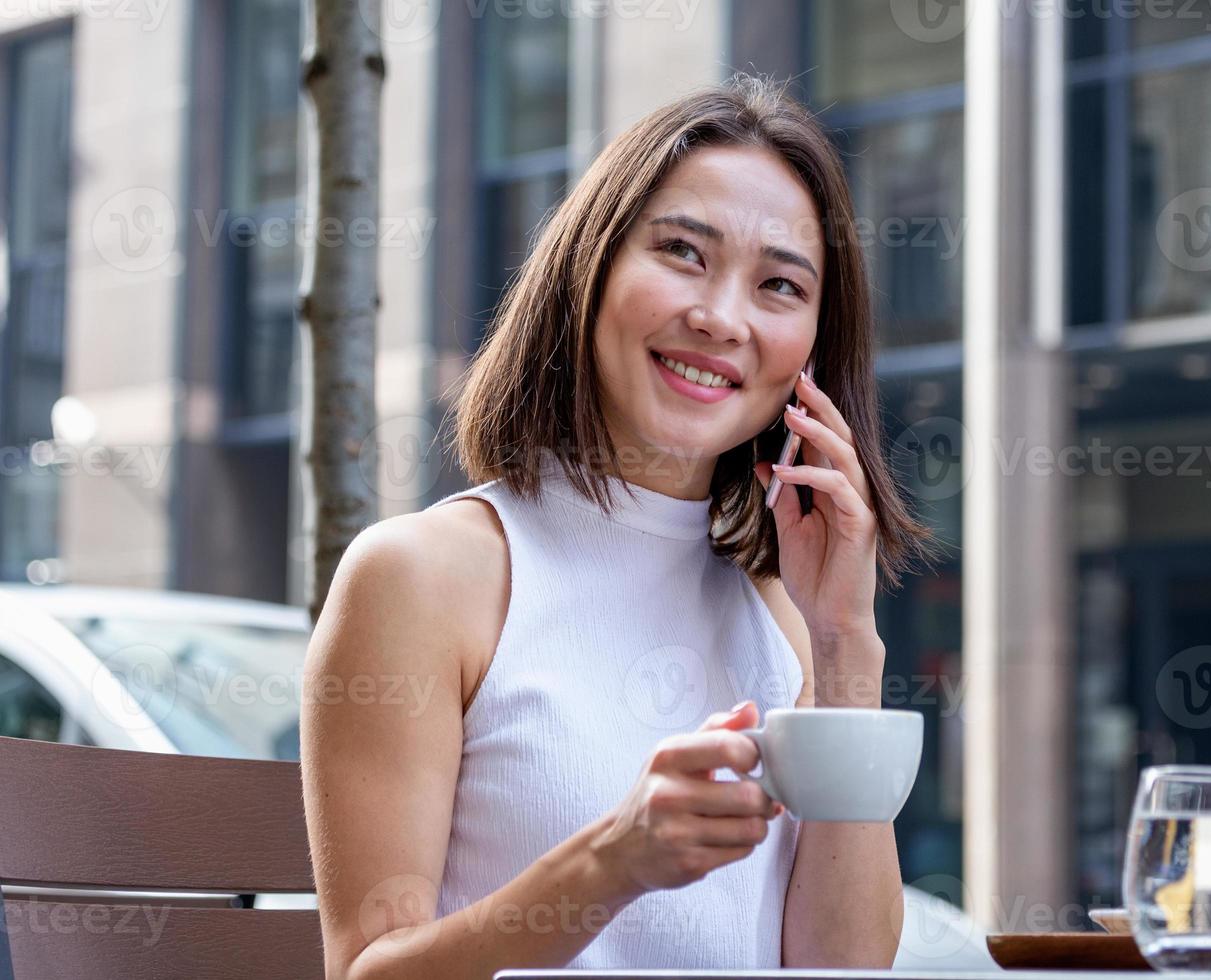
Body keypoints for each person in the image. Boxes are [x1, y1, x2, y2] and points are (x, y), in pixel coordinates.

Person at [301, 73, 941, 979]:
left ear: (813, 350)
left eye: (780, 286)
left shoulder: (790, 617)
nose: (720, 318)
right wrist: (615, 861)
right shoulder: (422, 578)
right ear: (590, 267)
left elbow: (840, 968)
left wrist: (845, 644)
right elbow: (368, 972)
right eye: (683, 252)